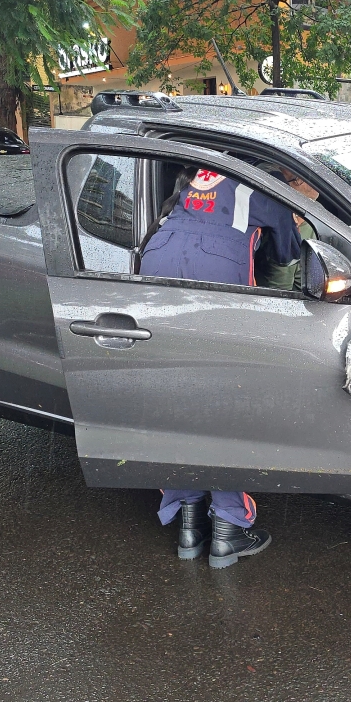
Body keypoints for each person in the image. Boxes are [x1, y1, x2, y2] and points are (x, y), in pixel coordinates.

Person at [140, 167, 301, 567]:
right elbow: (287, 255)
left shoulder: (192, 178)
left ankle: (189, 522)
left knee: (176, 399)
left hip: (154, 263)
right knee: (222, 404)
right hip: (212, 272)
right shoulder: (257, 183)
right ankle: (228, 528)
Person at [254, 166, 319, 291]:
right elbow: (281, 291)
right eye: (298, 179)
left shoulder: (315, 208)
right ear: (285, 188)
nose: (312, 182)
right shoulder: (283, 235)